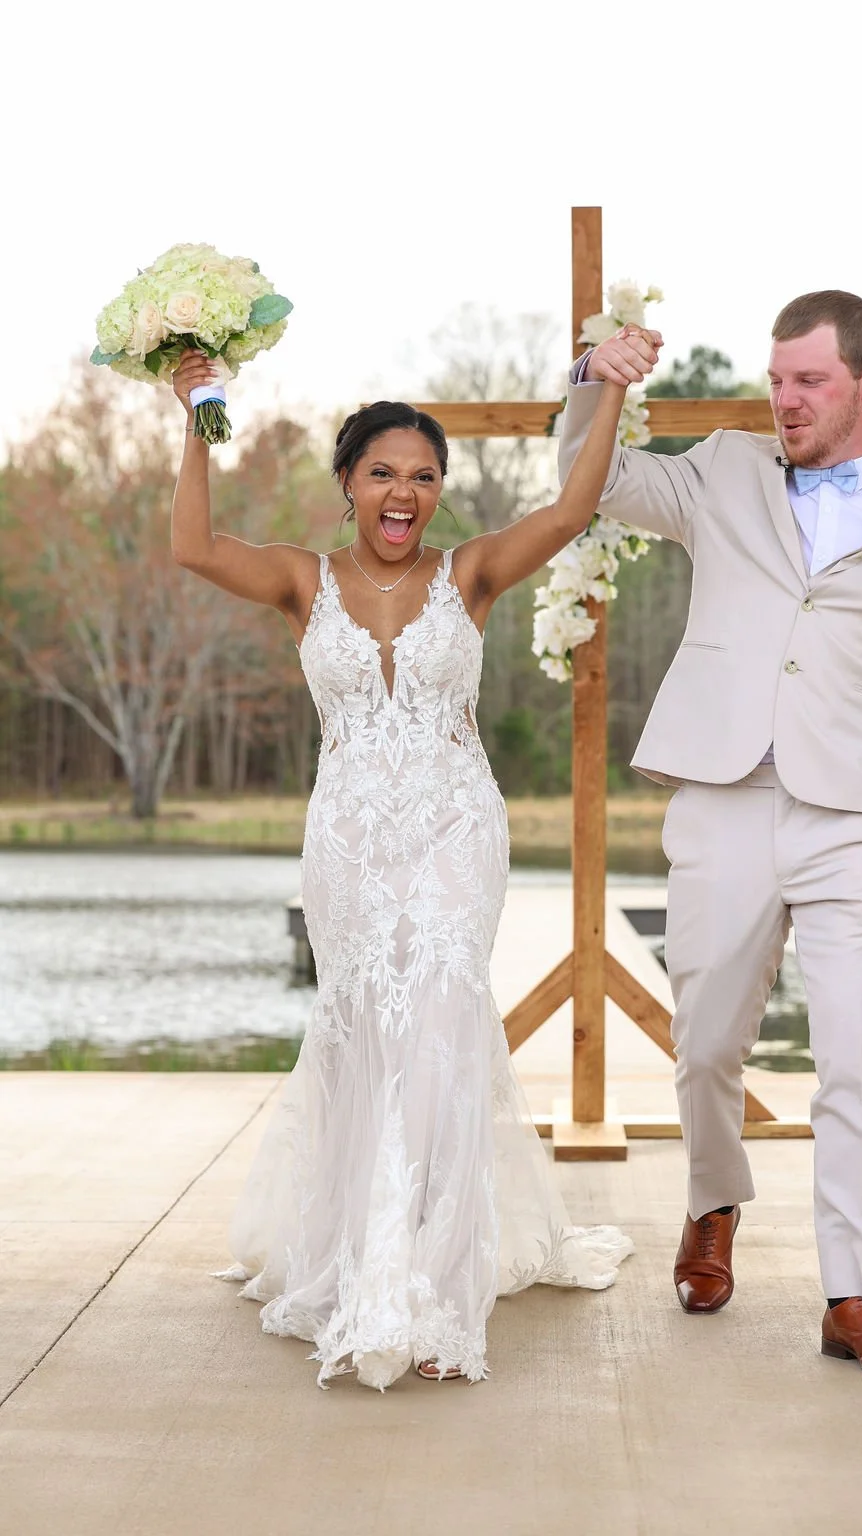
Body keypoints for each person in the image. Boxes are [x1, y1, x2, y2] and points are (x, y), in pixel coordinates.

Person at [558, 292, 862, 1378]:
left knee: (857, 1055)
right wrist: (596, 379)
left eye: (807, 381)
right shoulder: (721, 471)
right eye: (776, 380)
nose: (785, 401)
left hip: (858, 813)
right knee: (708, 1040)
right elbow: (596, 483)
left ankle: (851, 1292)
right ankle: (712, 1200)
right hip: (721, 795)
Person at [170, 351, 634, 1391]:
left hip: (453, 834)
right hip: (348, 844)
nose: (405, 494)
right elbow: (191, 545)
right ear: (349, 482)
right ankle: (357, 1256)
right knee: (365, 1037)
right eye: (384, 472)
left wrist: (607, 390)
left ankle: (426, 1280)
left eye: (423, 476)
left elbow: (566, 512)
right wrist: (196, 413)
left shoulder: (467, 574)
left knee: (436, 1039)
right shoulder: (303, 578)